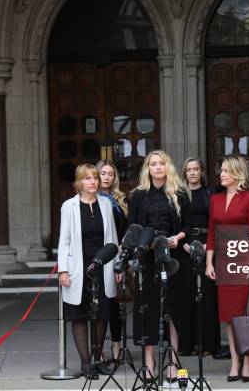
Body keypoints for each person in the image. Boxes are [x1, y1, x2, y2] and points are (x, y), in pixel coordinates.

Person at [128, 150, 191, 382]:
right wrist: (143, 245)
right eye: (153, 164)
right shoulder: (138, 195)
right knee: (148, 309)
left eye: (161, 163)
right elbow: (132, 228)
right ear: (147, 168)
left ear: (167, 166)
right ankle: (149, 362)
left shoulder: (180, 193)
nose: (157, 167)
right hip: (147, 257)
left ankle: (173, 362)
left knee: (173, 309)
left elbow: (189, 225)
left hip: (172, 255)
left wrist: (177, 237)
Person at [57, 163, 119, 379]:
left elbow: (112, 238)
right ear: (79, 183)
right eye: (87, 178)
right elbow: (64, 241)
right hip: (78, 268)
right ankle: (85, 363)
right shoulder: (69, 206)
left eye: (95, 177)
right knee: (80, 315)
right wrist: (62, 270)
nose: (92, 181)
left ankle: (97, 359)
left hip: (103, 264)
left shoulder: (106, 204)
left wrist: (117, 264)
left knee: (102, 314)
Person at [205, 155, 249, 382]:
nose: (222, 174)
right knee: (229, 316)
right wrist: (209, 262)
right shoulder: (215, 199)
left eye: (227, 171)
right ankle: (235, 360)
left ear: (238, 173)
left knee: (245, 315)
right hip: (223, 262)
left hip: (247, 260)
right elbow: (211, 232)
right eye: (221, 171)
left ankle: (248, 360)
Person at [180, 157, 220, 356]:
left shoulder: (210, 193)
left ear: (202, 172)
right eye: (189, 170)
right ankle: (189, 344)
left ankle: (209, 345)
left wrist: (207, 245)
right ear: (184, 173)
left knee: (208, 296)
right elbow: (176, 222)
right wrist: (184, 244)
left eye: (196, 169)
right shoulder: (178, 195)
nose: (193, 173)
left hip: (208, 245)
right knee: (187, 296)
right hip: (185, 245)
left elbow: (215, 221)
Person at [96, 159, 128, 362]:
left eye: (110, 174)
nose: (107, 177)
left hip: (116, 255)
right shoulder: (91, 199)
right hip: (98, 255)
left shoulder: (120, 199)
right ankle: (97, 349)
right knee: (99, 304)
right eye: (103, 173)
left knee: (116, 305)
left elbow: (126, 228)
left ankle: (116, 344)